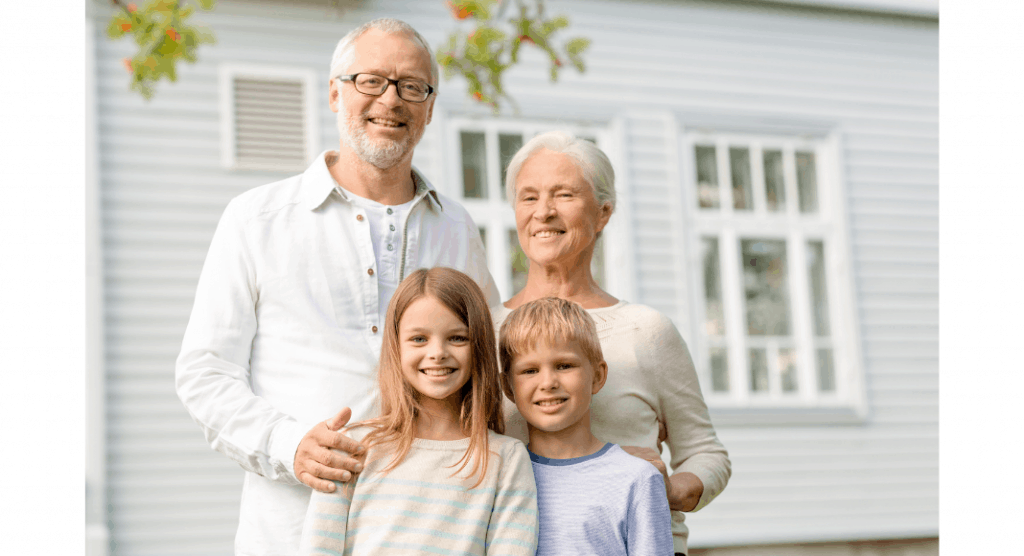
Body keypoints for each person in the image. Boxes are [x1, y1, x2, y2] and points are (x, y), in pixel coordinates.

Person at [175, 18, 498, 555]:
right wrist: (289, 443)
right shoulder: (256, 218)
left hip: (429, 531)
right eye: (370, 81)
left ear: (430, 106)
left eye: (411, 86)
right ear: (334, 93)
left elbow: (494, 365)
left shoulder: (456, 227)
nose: (390, 100)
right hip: (291, 532)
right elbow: (205, 372)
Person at [493, 131, 732, 556]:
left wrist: (661, 491)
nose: (543, 212)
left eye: (563, 195)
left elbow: (706, 454)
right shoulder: (487, 332)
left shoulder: (647, 331)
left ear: (603, 213)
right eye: (528, 198)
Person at [300, 268, 538, 556]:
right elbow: (319, 548)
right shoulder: (352, 447)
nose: (437, 352)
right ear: (395, 347)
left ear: (479, 346)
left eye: (458, 338)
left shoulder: (506, 458)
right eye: (419, 339)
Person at [499, 296, 673, 556]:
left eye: (564, 365)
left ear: (598, 376)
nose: (548, 382)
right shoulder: (499, 476)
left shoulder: (637, 479)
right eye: (530, 370)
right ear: (508, 387)